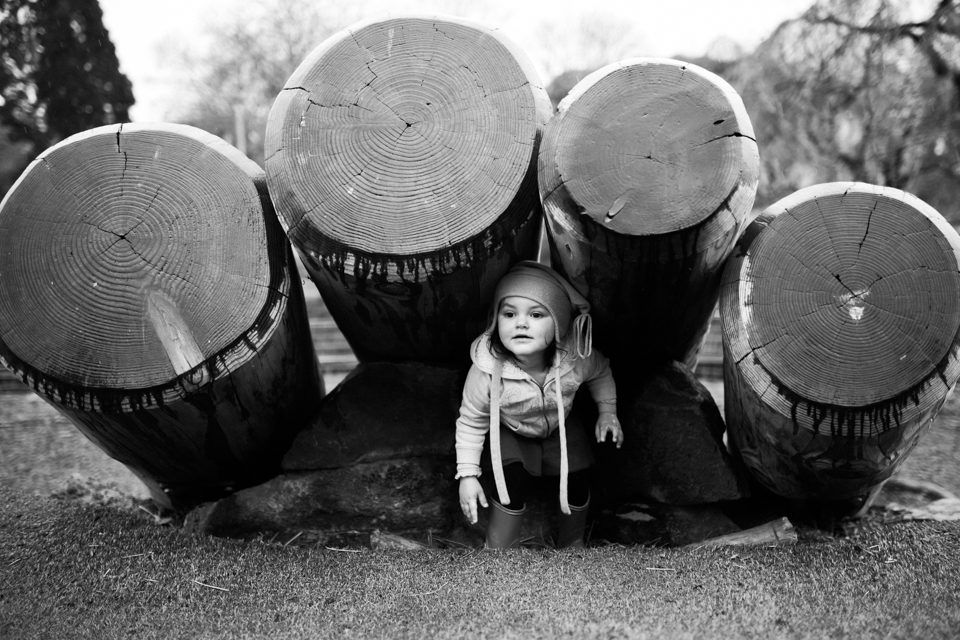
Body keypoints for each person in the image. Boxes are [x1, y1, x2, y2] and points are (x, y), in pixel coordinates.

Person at [455, 260, 623, 549]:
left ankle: (572, 542)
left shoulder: (576, 357)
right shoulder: (485, 369)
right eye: (509, 314)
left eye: (536, 314)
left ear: (558, 322)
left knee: (577, 476)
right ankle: (499, 548)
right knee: (511, 479)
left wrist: (608, 411)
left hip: (559, 424)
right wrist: (467, 475)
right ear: (496, 322)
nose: (521, 323)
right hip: (511, 429)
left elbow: (601, 371)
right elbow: (471, 421)